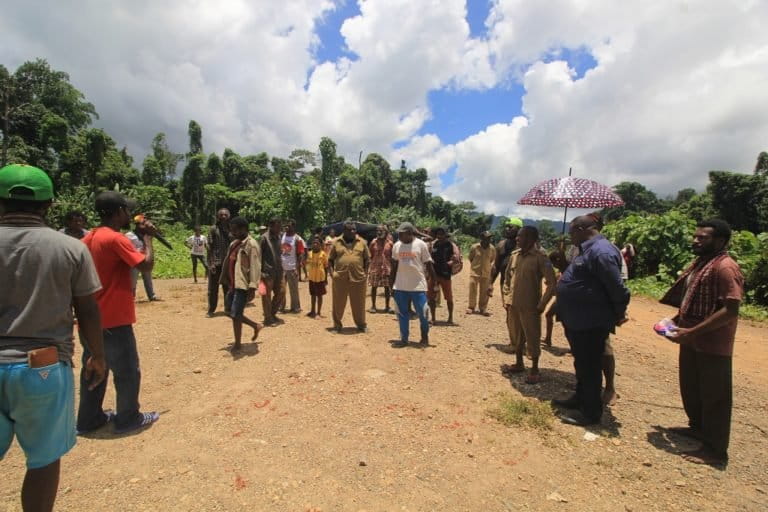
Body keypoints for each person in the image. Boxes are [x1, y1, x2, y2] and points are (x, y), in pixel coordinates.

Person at [0, 164, 106, 512]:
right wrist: (97, 356)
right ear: (49, 206)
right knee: (43, 460)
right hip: (43, 367)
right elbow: (88, 309)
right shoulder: (69, 249)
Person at [660, 219, 743, 466]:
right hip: (691, 338)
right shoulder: (703, 263)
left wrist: (693, 331)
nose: (695, 240)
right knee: (692, 386)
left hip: (712, 343)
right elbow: (693, 297)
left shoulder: (725, 268)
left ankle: (716, 450)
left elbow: (730, 309)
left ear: (720, 241)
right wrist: (676, 320)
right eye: (695, 236)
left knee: (714, 395)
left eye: (702, 238)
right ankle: (697, 428)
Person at [77, 190, 160, 435]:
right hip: (114, 319)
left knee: (93, 368)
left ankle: (88, 419)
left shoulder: (88, 238)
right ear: (119, 212)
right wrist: (147, 239)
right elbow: (145, 265)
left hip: (89, 319)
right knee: (126, 371)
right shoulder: (115, 239)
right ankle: (127, 418)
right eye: (126, 209)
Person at [552, 215, 630, 426]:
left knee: (590, 366)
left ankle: (591, 413)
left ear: (582, 229)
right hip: (578, 318)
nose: (570, 236)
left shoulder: (601, 251)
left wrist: (619, 312)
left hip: (590, 320)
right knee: (582, 362)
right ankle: (581, 398)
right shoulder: (587, 250)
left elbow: (617, 287)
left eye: (571, 232)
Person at [501, 226, 557, 384]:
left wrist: (542, 305)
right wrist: (506, 298)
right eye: (517, 236)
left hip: (531, 305)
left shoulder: (540, 258)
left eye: (521, 236)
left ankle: (534, 368)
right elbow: (507, 278)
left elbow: (552, 284)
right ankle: (519, 363)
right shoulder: (514, 256)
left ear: (532, 239)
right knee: (516, 335)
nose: (517, 239)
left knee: (532, 336)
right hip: (513, 304)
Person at [219, 217, 262, 353]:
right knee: (229, 311)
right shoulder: (234, 244)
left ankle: (238, 344)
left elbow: (255, 266)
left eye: (235, 230)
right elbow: (228, 261)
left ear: (243, 229)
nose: (232, 232)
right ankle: (255, 325)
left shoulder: (251, 244)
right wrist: (223, 278)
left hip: (242, 284)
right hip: (232, 283)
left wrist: (252, 286)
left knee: (236, 313)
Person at [391, 222, 437, 347]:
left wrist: (435, 283)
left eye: (402, 233)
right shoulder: (396, 246)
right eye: (399, 233)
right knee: (402, 314)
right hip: (400, 286)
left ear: (410, 233)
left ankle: (424, 337)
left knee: (423, 313)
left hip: (418, 287)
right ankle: (404, 339)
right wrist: (391, 286)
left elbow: (429, 264)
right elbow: (394, 267)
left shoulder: (421, 245)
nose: (399, 235)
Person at [328, 220, 370, 333]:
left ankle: (361, 325)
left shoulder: (362, 242)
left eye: (354, 229)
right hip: (340, 278)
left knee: (359, 303)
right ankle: (337, 325)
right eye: (350, 229)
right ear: (344, 230)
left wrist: (365, 273)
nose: (353, 231)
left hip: (358, 278)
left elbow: (367, 260)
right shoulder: (336, 242)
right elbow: (330, 260)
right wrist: (332, 274)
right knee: (338, 303)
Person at [206, 208, 232, 317]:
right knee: (213, 289)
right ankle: (211, 310)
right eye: (221, 215)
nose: (223, 217)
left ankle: (228, 309)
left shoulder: (232, 230)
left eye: (225, 215)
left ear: (229, 216)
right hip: (215, 263)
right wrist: (211, 263)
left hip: (228, 263)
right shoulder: (213, 229)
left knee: (228, 288)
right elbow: (209, 247)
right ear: (218, 217)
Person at [428, 227, 456, 324]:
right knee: (431, 297)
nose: (439, 236)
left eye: (441, 234)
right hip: (434, 274)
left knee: (449, 297)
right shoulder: (434, 244)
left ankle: (450, 318)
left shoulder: (450, 245)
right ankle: (433, 318)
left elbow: (455, 258)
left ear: (445, 234)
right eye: (438, 234)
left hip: (445, 274)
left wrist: (451, 262)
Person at [489, 217, 523, 298]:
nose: (507, 229)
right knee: (507, 307)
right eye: (506, 227)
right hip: (505, 284)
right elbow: (496, 266)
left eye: (510, 227)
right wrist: (490, 283)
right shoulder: (501, 245)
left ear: (519, 230)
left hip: (521, 285)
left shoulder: (524, 247)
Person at [126, 220, 159, 301]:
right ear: (137, 226)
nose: (145, 226)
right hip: (135, 260)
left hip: (145, 259)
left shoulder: (146, 235)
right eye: (142, 224)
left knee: (148, 278)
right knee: (133, 279)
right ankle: (131, 296)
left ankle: (151, 295)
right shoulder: (129, 235)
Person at [260, 218, 284, 326]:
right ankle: (268, 318)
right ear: (271, 226)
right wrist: (260, 272)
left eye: (280, 227)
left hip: (279, 270)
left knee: (281, 292)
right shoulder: (264, 238)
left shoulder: (279, 237)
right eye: (277, 227)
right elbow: (258, 256)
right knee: (266, 296)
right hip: (267, 272)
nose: (279, 229)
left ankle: (272, 313)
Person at [467, 231, 496, 315]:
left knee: (484, 291)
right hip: (475, 272)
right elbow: (471, 258)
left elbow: (491, 259)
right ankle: (471, 307)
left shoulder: (492, 249)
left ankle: (483, 308)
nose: (488, 239)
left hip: (486, 272)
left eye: (490, 238)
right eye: (486, 237)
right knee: (472, 289)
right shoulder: (474, 247)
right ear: (482, 238)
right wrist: (475, 266)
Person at [278, 219, 304, 313]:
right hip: (282, 267)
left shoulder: (297, 239)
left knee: (294, 289)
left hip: (292, 267)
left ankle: (295, 307)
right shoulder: (282, 236)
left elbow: (300, 254)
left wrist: (297, 268)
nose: (286, 227)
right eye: (286, 226)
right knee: (281, 288)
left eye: (289, 226)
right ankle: (281, 306)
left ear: (293, 227)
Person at [368, 224, 394, 313]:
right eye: (377, 231)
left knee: (387, 288)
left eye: (381, 231)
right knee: (374, 287)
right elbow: (370, 255)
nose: (379, 232)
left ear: (386, 232)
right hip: (375, 268)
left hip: (386, 268)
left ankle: (387, 307)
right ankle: (373, 306)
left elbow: (392, 256)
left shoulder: (390, 243)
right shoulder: (373, 242)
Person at [305, 236, 329, 318]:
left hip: (320, 278)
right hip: (312, 278)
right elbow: (307, 263)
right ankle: (312, 311)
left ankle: (318, 312)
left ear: (320, 245)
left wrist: (326, 279)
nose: (315, 244)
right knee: (312, 295)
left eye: (317, 243)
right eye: (313, 243)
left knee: (319, 295)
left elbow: (326, 267)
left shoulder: (323, 254)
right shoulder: (309, 253)